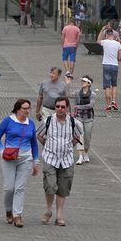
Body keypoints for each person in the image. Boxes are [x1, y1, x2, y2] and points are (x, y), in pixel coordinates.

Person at [0, 99, 40, 228]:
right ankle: (8, 210)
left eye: (28, 108)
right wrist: (2, 150)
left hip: (26, 158)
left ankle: (17, 215)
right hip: (9, 158)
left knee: (20, 188)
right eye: (25, 108)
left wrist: (36, 161)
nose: (27, 111)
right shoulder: (8, 121)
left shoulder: (30, 124)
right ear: (18, 109)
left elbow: (34, 144)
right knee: (9, 188)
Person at [37, 96, 83, 226]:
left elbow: (77, 137)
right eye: (57, 107)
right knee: (50, 186)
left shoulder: (75, 123)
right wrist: (48, 145)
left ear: (67, 108)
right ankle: (48, 210)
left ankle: (59, 215)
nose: (60, 109)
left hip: (67, 160)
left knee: (63, 189)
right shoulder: (48, 121)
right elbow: (39, 135)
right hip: (50, 158)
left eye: (63, 107)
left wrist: (68, 147)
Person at [98, 24, 121, 112]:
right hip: (115, 65)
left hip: (106, 65)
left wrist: (102, 29)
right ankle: (114, 101)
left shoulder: (104, 42)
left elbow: (98, 40)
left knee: (107, 85)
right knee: (114, 84)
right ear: (113, 35)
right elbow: (120, 57)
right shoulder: (118, 44)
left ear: (107, 35)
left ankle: (108, 105)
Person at [73, 75, 96, 164]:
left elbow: (91, 105)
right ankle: (80, 156)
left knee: (87, 138)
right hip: (78, 117)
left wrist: (79, 107)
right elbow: (74, 103)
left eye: (84, 81)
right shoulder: (77, 93)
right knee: (79, 136)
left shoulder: (93, 94)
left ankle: (86, 153)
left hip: (89, 118)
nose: (82, 82)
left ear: (89, 83)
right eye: (82, 81)